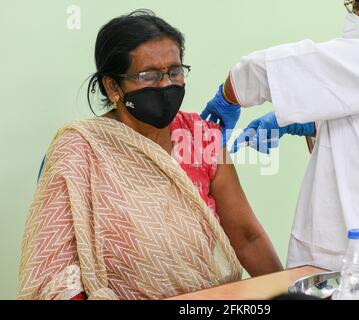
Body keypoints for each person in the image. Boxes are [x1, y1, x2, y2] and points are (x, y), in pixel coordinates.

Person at [17, 10, 282, 300]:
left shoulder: (200, 137)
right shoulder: (80, 148)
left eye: (175, 71)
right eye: (150, 75)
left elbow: (247, 237)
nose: (166, 84)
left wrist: (285, 294)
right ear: (112, 86)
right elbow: (58, 272)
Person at [200, 0, 359, 298]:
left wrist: (227, 98)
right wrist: (314, 126)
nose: (354, 17)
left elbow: (261, 69)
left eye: (358, 7)